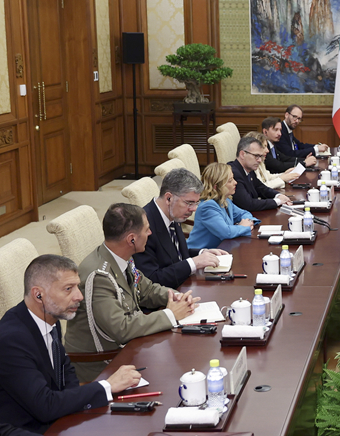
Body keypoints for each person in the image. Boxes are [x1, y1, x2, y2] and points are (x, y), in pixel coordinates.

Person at [0, 255, 143, 433]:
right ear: (38, 295)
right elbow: (45, 406)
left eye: (77, 287)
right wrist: (106, 386)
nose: (79, 296)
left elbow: (67, 375)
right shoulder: (11, 340)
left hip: (59, 421)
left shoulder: (51, 319)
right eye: (68, 289)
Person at [64, 203, 200, 382]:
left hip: (128, 348)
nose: (150, 233)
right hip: (102, 364)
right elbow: (122, 328)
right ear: (132, 240)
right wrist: (170, 315)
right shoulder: (99, 277)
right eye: (146, 229)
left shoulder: (121, 257)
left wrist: (175, 296)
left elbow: (146, 289)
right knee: (176, 374)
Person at [133, 168, 228, 289]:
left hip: (183, 286)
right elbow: (152, 279)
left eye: (196, 203)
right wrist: (194, 263)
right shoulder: (143, 227)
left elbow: (175, 254)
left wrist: (202, 253)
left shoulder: (173, 213)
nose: (194, 209)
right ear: (169, 198)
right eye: (189, 203)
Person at [187, 162, 257, 250]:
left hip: (219, 250)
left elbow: (244, 213)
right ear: (216, 187)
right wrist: (243, 227)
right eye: (230, 181)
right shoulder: (208, 207)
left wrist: (248, 222)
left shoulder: (225, 201)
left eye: (233, 178)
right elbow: (226, 233)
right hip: (199, 253)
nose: (235, 182)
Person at [228, 136, 292, 212]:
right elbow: (248, 204)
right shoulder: (233, 173)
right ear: (242, 154)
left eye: (261, 156)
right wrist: (277, 201)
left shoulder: (249, 169)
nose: (260, 160)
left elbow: (261, 188)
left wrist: (278, 195)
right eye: (256, 156)